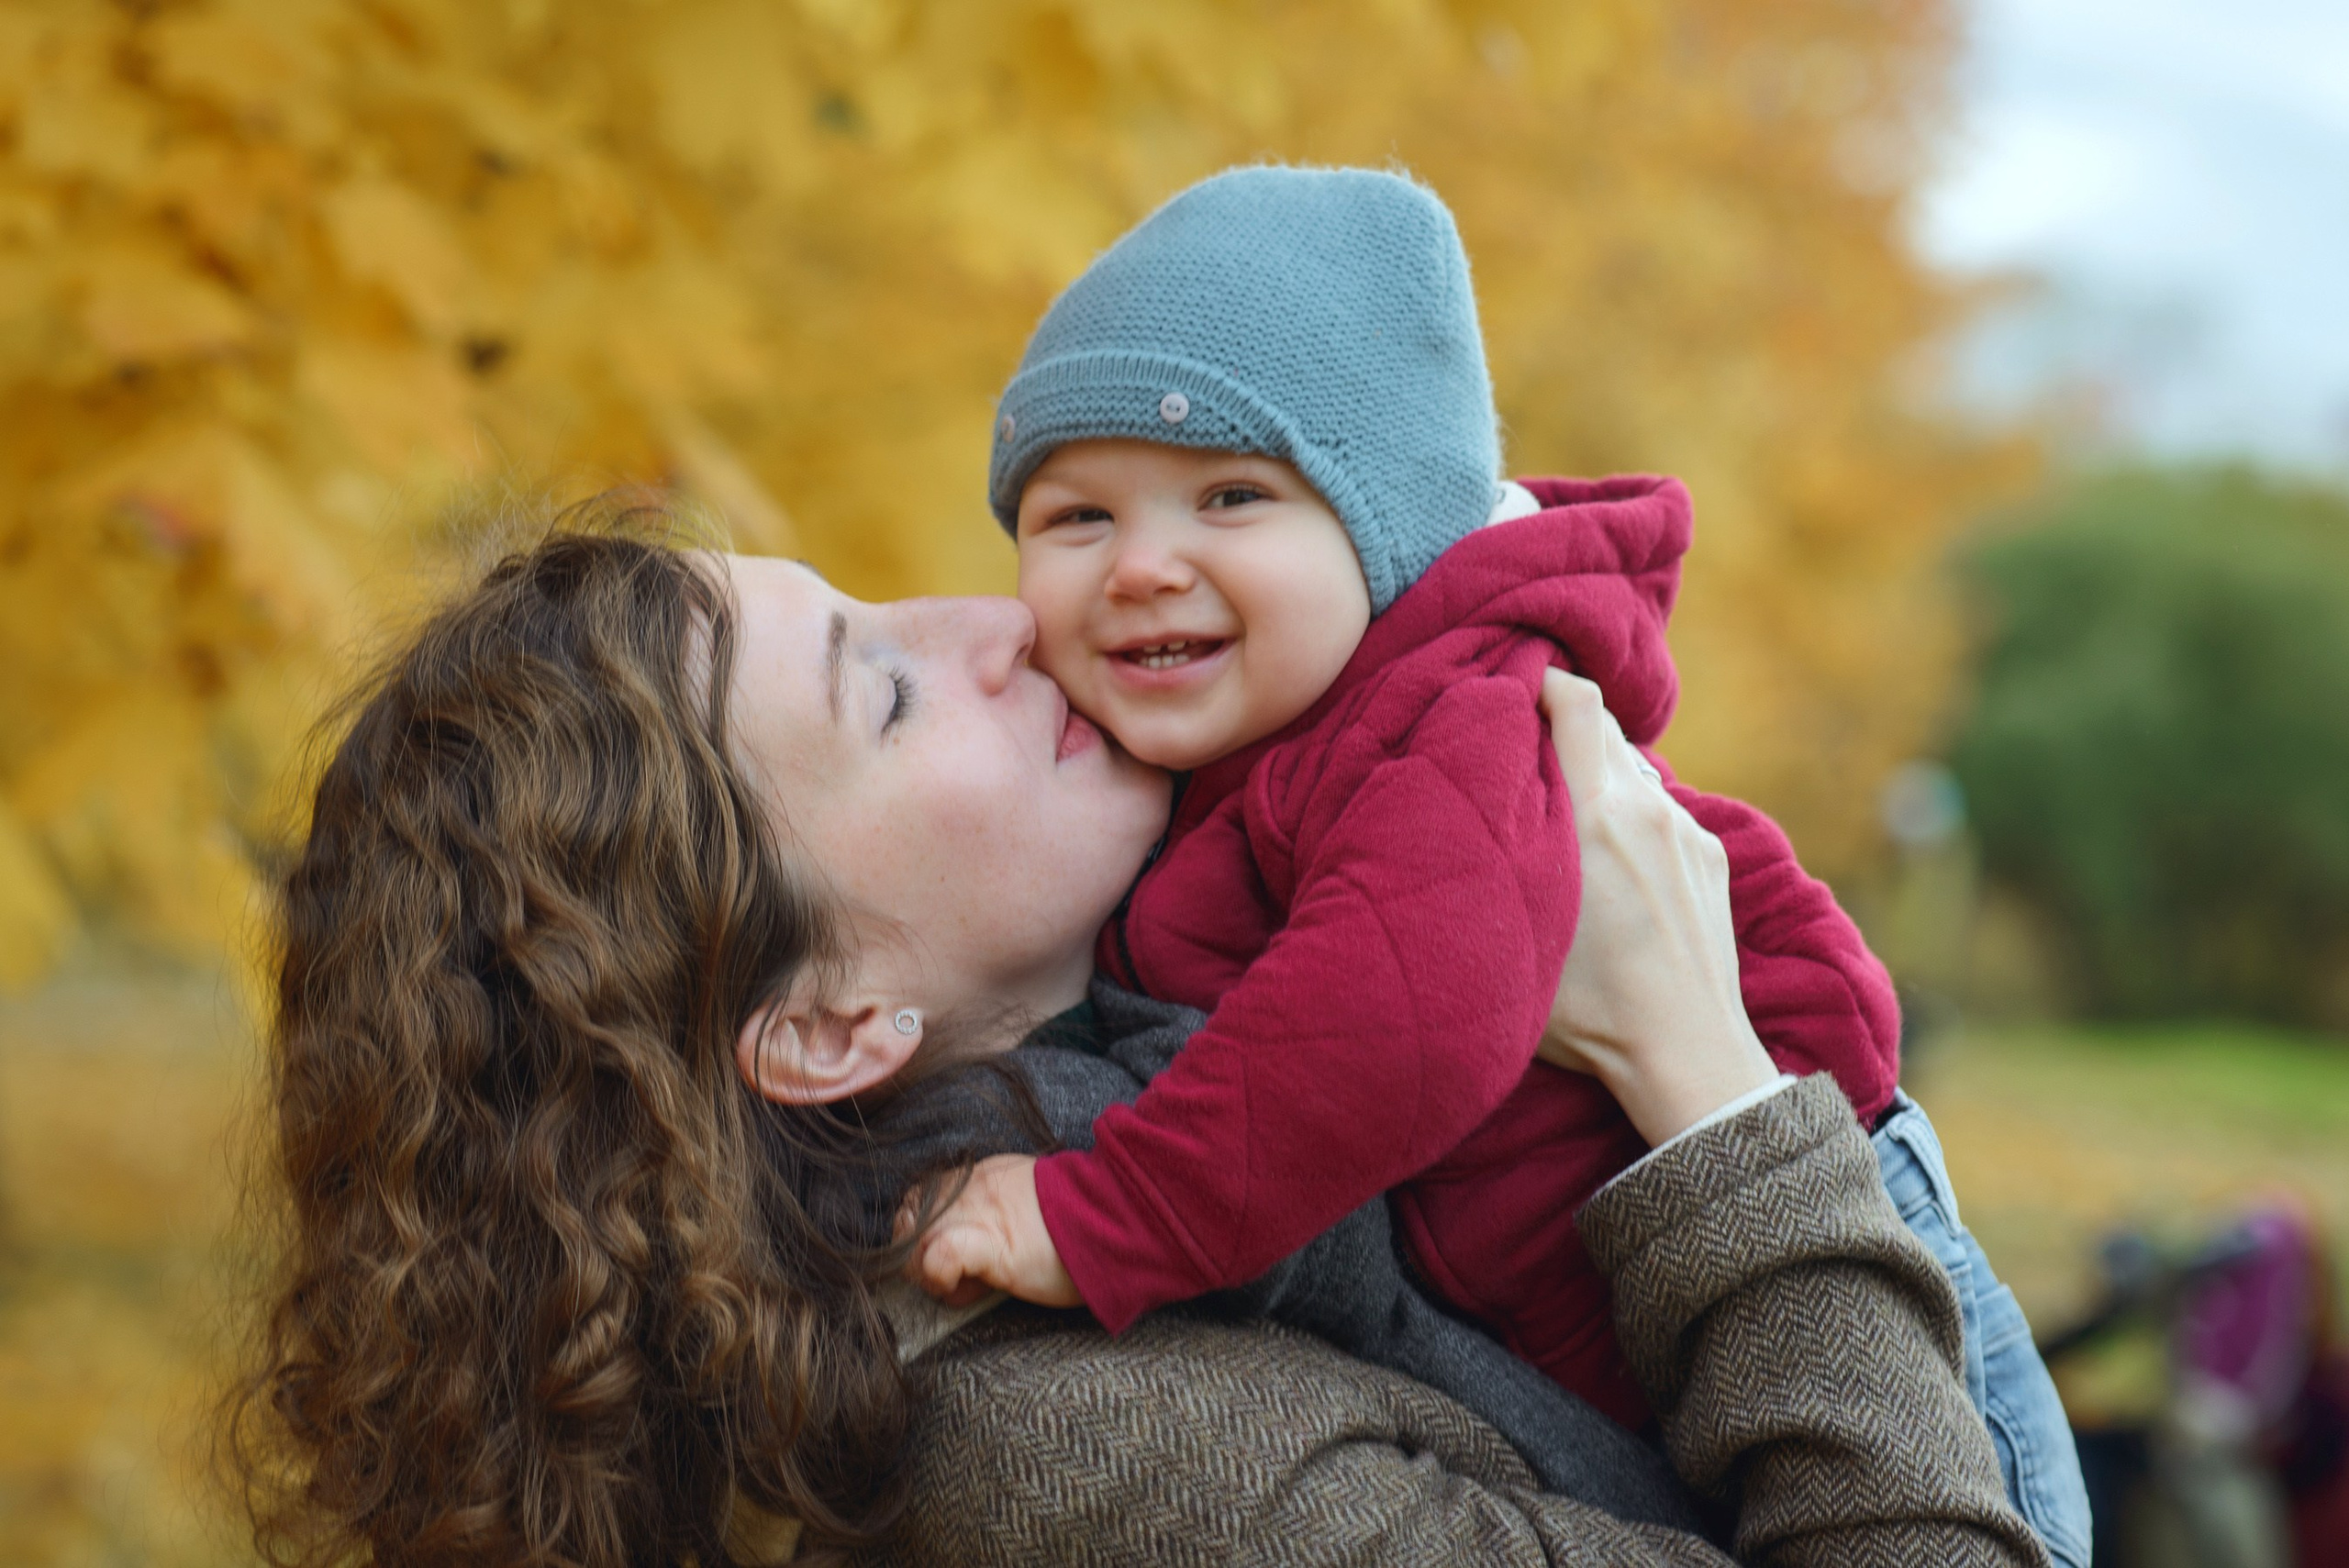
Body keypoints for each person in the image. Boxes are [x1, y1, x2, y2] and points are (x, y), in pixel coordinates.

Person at [232, 522, 2048, 1565]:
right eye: (880, 687)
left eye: (873, 600)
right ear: (820, 1026)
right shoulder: (1090, 1461)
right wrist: (1702, 1092)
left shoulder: (1206, 1040)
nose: (1001, 626)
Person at [909, 162, 2089, 1566]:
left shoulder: (1451, 717)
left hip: (1877, 1312)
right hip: (1670, 1341)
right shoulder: (1221, 756)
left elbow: (1398, 1023)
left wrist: (1110, 1212)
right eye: (1077, 517)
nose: (1143, 566)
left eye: (1231, 496)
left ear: (1389, 531)